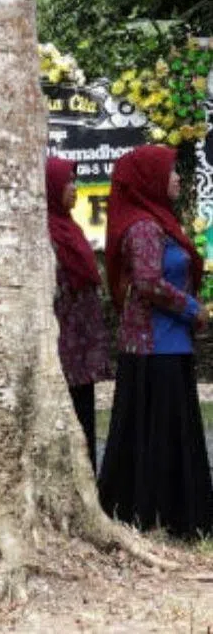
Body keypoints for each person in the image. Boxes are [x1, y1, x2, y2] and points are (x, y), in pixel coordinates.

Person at [97, 145, 213, 538]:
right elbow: (147, 283)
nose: (178, 178)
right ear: (149, 178)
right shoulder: (145, 227)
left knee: (170, 433)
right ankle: (158, 516)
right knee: (161, 435)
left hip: (168, 345)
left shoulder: (157, 222)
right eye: (171, 172)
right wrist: (192, 309)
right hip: (154, 348)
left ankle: (174, 516)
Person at [45, 156, 112, 471]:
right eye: (68, 181)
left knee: (84, 414)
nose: (75, 188)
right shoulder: (44, 233)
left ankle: (88, 483)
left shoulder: (69, 227)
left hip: (81, 346)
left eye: (75, 181)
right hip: (59, 347)